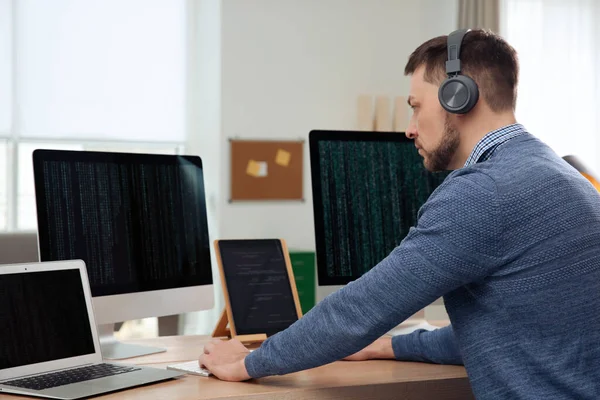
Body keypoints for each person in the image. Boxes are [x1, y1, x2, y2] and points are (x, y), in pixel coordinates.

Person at [199, 29, 600, 399]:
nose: (409, 128)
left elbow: (358, 310)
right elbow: (511, 332)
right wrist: (385, 345)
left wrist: (248, 362)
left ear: (458, 96)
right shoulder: (563, 175)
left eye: (415, 107)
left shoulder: (484, 191)